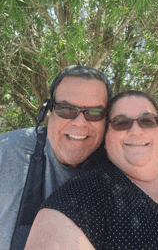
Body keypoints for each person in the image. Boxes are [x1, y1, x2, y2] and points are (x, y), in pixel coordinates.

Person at [25, 90, 158, 250]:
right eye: (121, 122)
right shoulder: (82, 199)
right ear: (105, 140)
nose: (136, 130)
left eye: (147, 120)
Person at [0, 65, 113, 250]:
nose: (79, 123)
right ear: (48, 112)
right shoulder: (5, 153)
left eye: (94, 113)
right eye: (67, 109)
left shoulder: (117, 171)